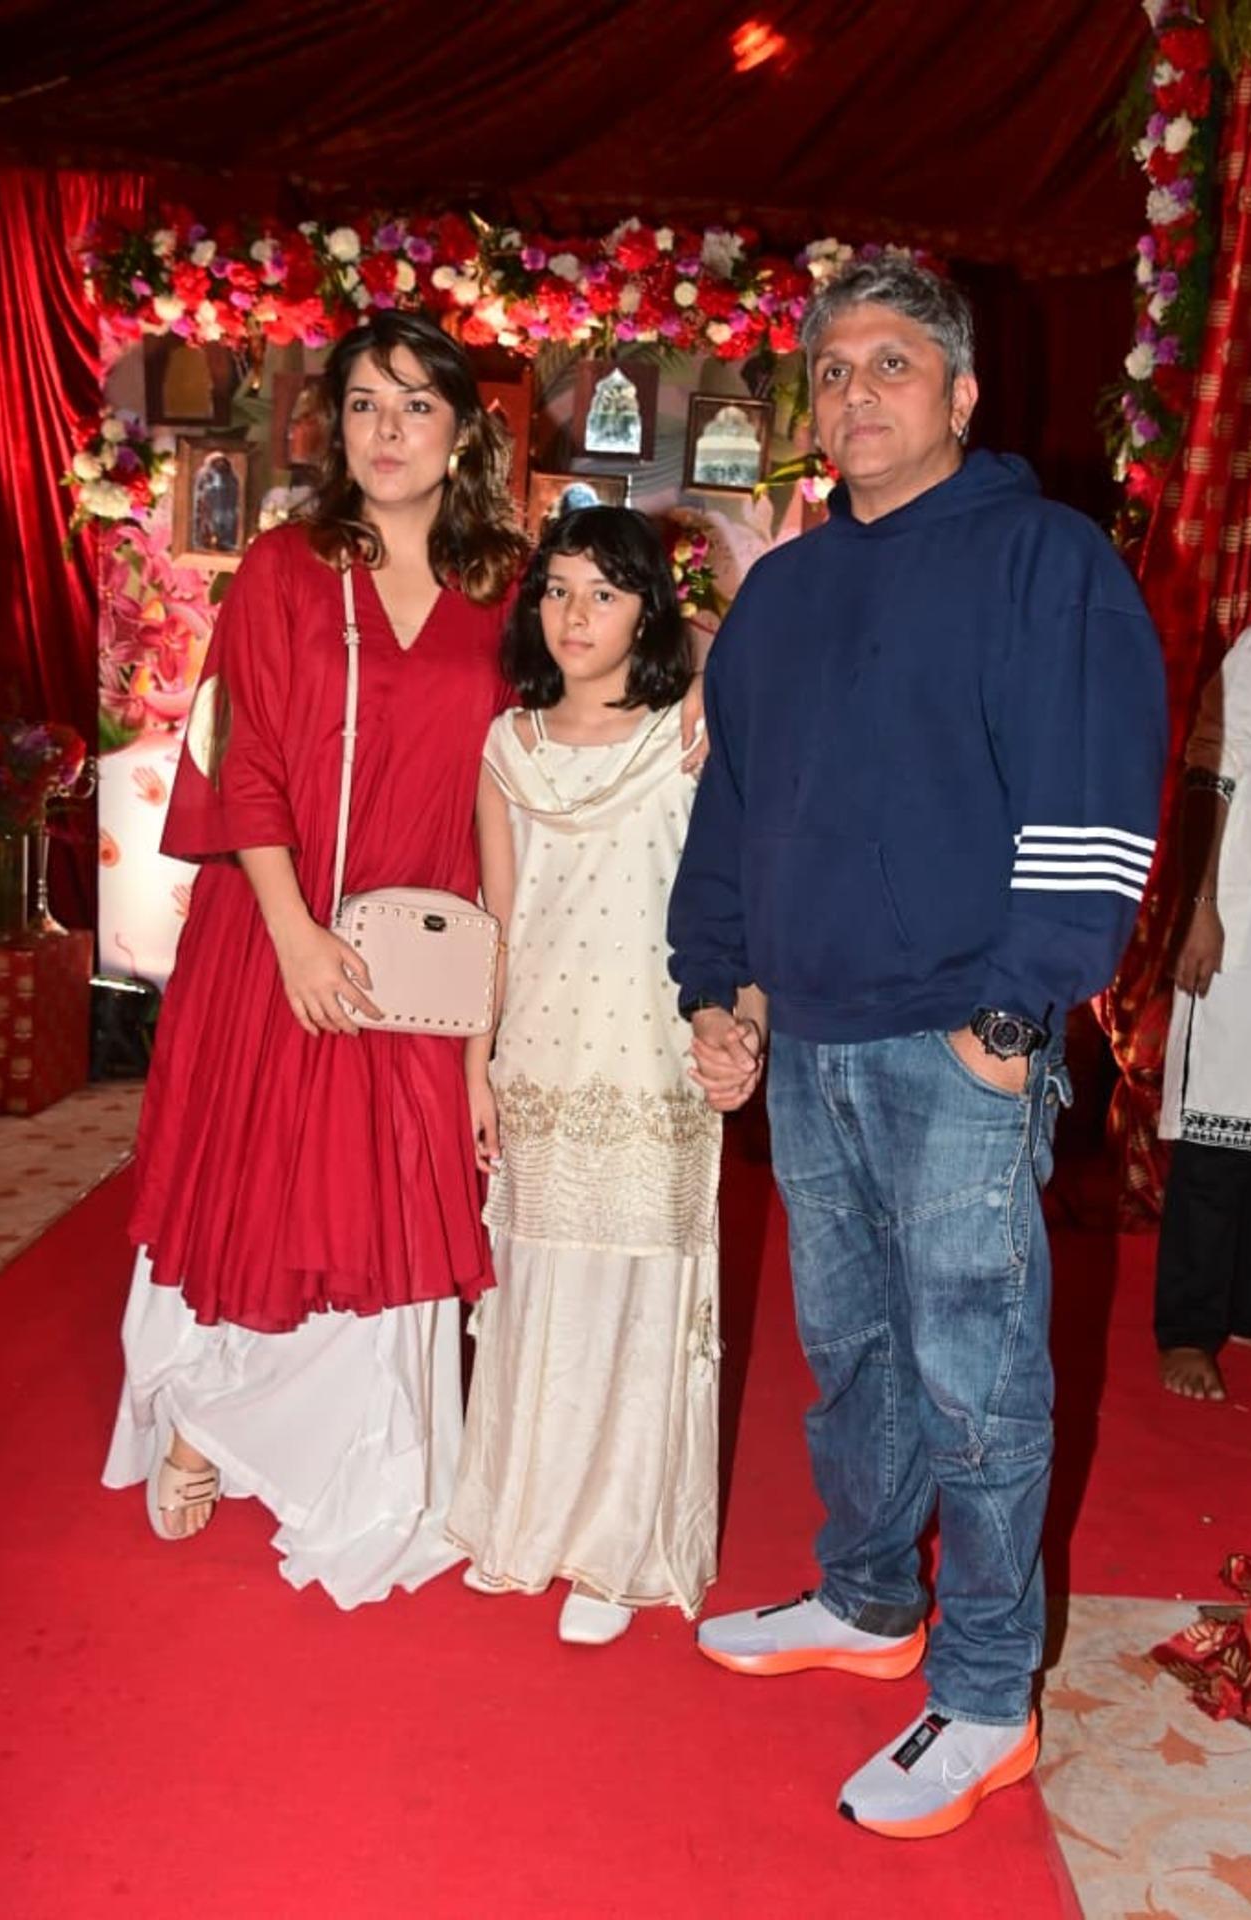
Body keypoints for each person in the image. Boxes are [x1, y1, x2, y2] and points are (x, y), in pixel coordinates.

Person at [668, 257, 1167, 1836]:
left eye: (895, 363)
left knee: (977, 1377)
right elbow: (734, 809)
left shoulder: (1044, 560)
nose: (858, 389)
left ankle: (984, 1691)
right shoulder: (789, 592)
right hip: (809, 1041)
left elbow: (1096, 805)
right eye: (832, 368)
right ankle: (870, 1602)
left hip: (965, 1038)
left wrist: (1017, 1016)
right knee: (857, 1360)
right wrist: (718, 984)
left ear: (958, 395)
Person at [102, 310, 528, 1608]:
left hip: (426, 951)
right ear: (331, 426)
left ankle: (226, 1425)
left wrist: (495, 1014)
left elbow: (529, 779)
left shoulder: (503, 588)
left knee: (391, 1208)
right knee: (277, 1189)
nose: (386, 432)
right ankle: (214, 1411)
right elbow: (246, 758)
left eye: (414, 406)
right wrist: (292, 935)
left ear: (465, 431)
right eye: (361, 405)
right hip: (278, 930)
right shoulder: (287, 567)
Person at [446, 506, 763, 1644]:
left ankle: (617, 1551)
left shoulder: (690, 734)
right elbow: (495, 915)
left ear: (649, 611)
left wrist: (705, 668)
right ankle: (525, 1518)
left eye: (606, 592)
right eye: (559, 590)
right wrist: (475, 1064)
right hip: (538, 1050)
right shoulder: (505, 745)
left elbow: (742, 888)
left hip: (650, 1047)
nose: (576, 616)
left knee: (637, 1289)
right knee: (537, 1285)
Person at [1156, 624, 1251, 1400]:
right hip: (1243, 920)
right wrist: (1199, 907)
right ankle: (1189, 1328)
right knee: (1220, 1130)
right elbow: (1211, 774)